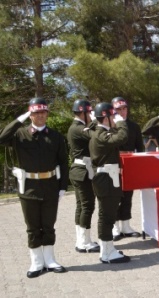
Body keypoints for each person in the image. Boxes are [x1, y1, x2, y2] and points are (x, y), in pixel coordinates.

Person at [0, 98, 68, 278]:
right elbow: (2, 138)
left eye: (43, 112)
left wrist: (62, 187)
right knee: (32, 227)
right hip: (28, 187)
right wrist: (19, 119)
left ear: (47, 114)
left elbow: (63, 163)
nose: (40, 116)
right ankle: (36, 262)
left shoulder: (55, 136)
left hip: (50, 186)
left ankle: (50, 260)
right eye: (36, 112)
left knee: (48, 225)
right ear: (30, 114)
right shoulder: (19, 135)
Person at [89, 102, 130, 263]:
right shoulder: (101, 134)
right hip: (106, 179)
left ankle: (108, 248)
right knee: (106, 216)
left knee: (108, 214)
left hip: (108, 178)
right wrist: (121, 122)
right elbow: (122, 137)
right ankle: (106, 252)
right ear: (106, 118)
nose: (115, 118)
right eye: (112, 115)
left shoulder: (101, 132)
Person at [67, 99, 100, 253]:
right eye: (90, 112)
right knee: (87, 205)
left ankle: (82, 239)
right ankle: (84, 241)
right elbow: (95, 136)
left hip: (81, 170)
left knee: (82, 206)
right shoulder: (78, 128)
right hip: (82, 170)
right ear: (84, 112)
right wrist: (95, 119)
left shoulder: (79, 127)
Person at [111, 97, 144, 241]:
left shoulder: (134, 126)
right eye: (118, 109)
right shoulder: (110, 125)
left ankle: (126, 226)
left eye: (124, 108)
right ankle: (114, 227)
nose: (122, 111)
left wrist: (139, 164)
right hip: (114, 162)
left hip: (130, 162)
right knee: (114, 196)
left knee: (128, 195)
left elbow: (140, 147)